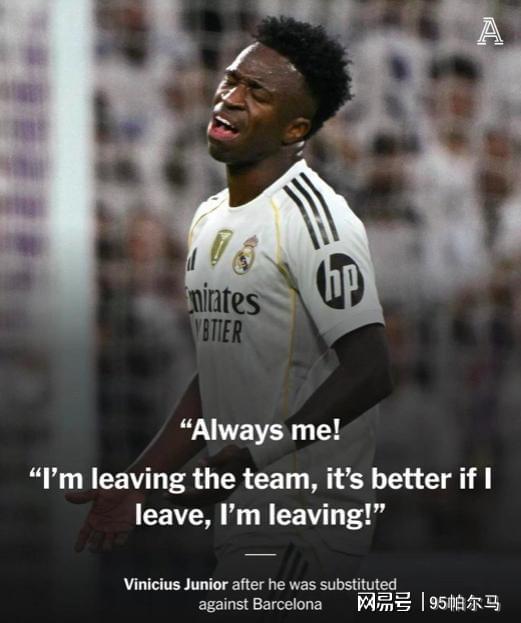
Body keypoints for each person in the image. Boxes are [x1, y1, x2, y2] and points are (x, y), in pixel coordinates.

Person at [67, 16, 392, 619]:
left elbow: (370, 371)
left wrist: (244, 460)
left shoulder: (319, 221)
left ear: (296, 128)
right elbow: (219, 372)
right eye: (232, 80)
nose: (230, 97)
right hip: (247, 521)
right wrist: (141, 481)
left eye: (257, 92)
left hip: (304, 523)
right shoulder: (209, 218)